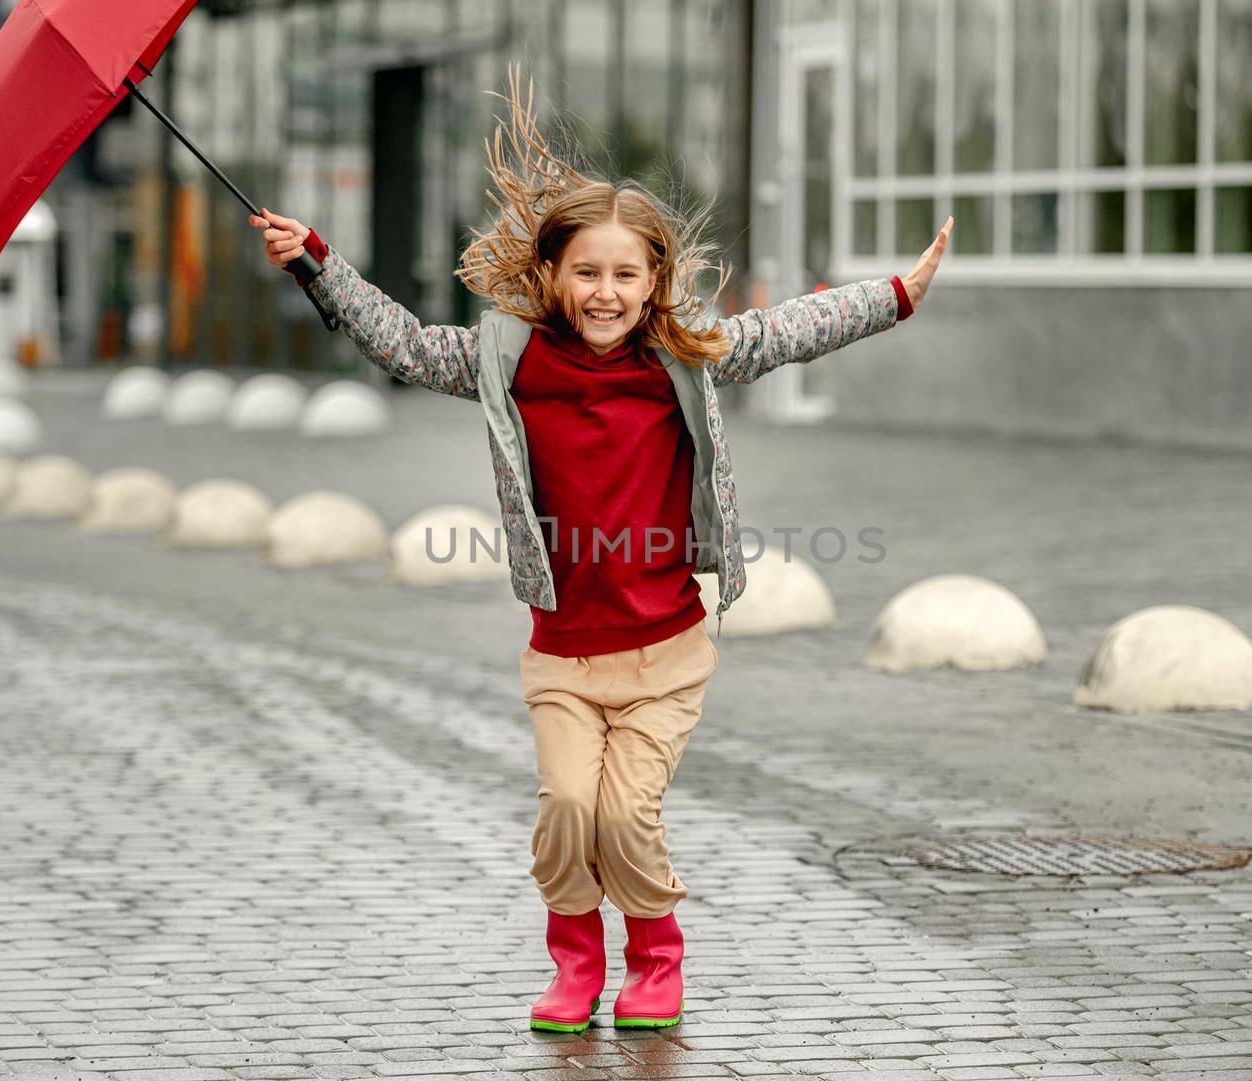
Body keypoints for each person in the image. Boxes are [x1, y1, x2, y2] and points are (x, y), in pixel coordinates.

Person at [250, 67, 952, 1034]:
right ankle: (576, 963)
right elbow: (407, 344)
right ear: (554, 275)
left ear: (655, 278)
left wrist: (895, 296)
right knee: (567, 814)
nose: (606, 292)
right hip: (564, 653)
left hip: (667, 649)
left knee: (626, 819)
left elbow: (788, 328)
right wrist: (316, 262)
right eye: (587, 272)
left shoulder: (685, 354)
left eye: (626, 274)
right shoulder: (511, 358)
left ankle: (655, 959)